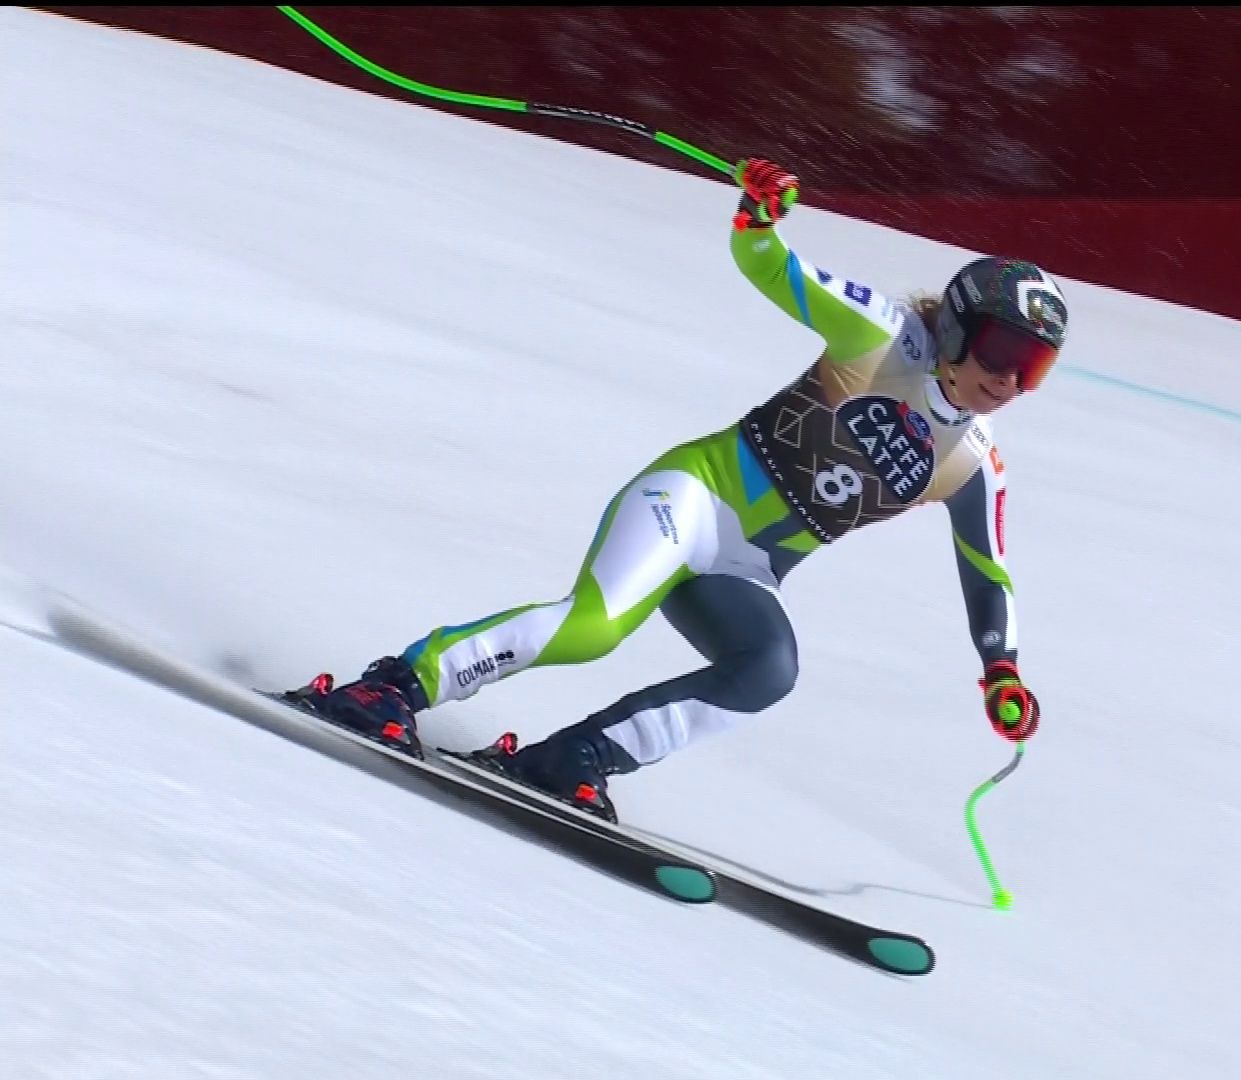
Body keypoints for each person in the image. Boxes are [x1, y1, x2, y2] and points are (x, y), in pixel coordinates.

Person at [283, 159, 1061, 822]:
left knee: (768, 669)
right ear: (956, 328)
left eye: (1032, 368)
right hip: (693, 498)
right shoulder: (882, 335)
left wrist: (1002, 670)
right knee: (592, 629)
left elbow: (986, 572)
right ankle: (395, 686)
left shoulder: (974, 461)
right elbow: (771, 267)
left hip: (746, 569)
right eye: (1001, 350)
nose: (1008, 380)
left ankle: (577, 756)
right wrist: (760, 217)